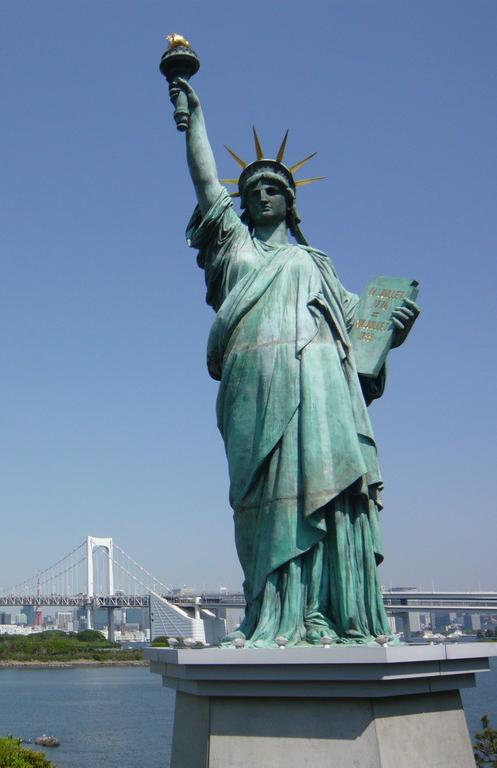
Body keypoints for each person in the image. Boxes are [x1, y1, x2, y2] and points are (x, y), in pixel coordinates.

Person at [168, 77, 419, 646]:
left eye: (272, 188)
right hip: (253, 388)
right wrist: (195, 121)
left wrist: (394, 329)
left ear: (290, 200)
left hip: (319, 386)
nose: (260, 195)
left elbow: (363, 333)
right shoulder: (233, 247)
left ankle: (324, 613)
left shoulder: (315, 262)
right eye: (252, 188)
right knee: (261, 499)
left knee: (326, 490)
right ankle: (269, 612)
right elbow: (209, 185)